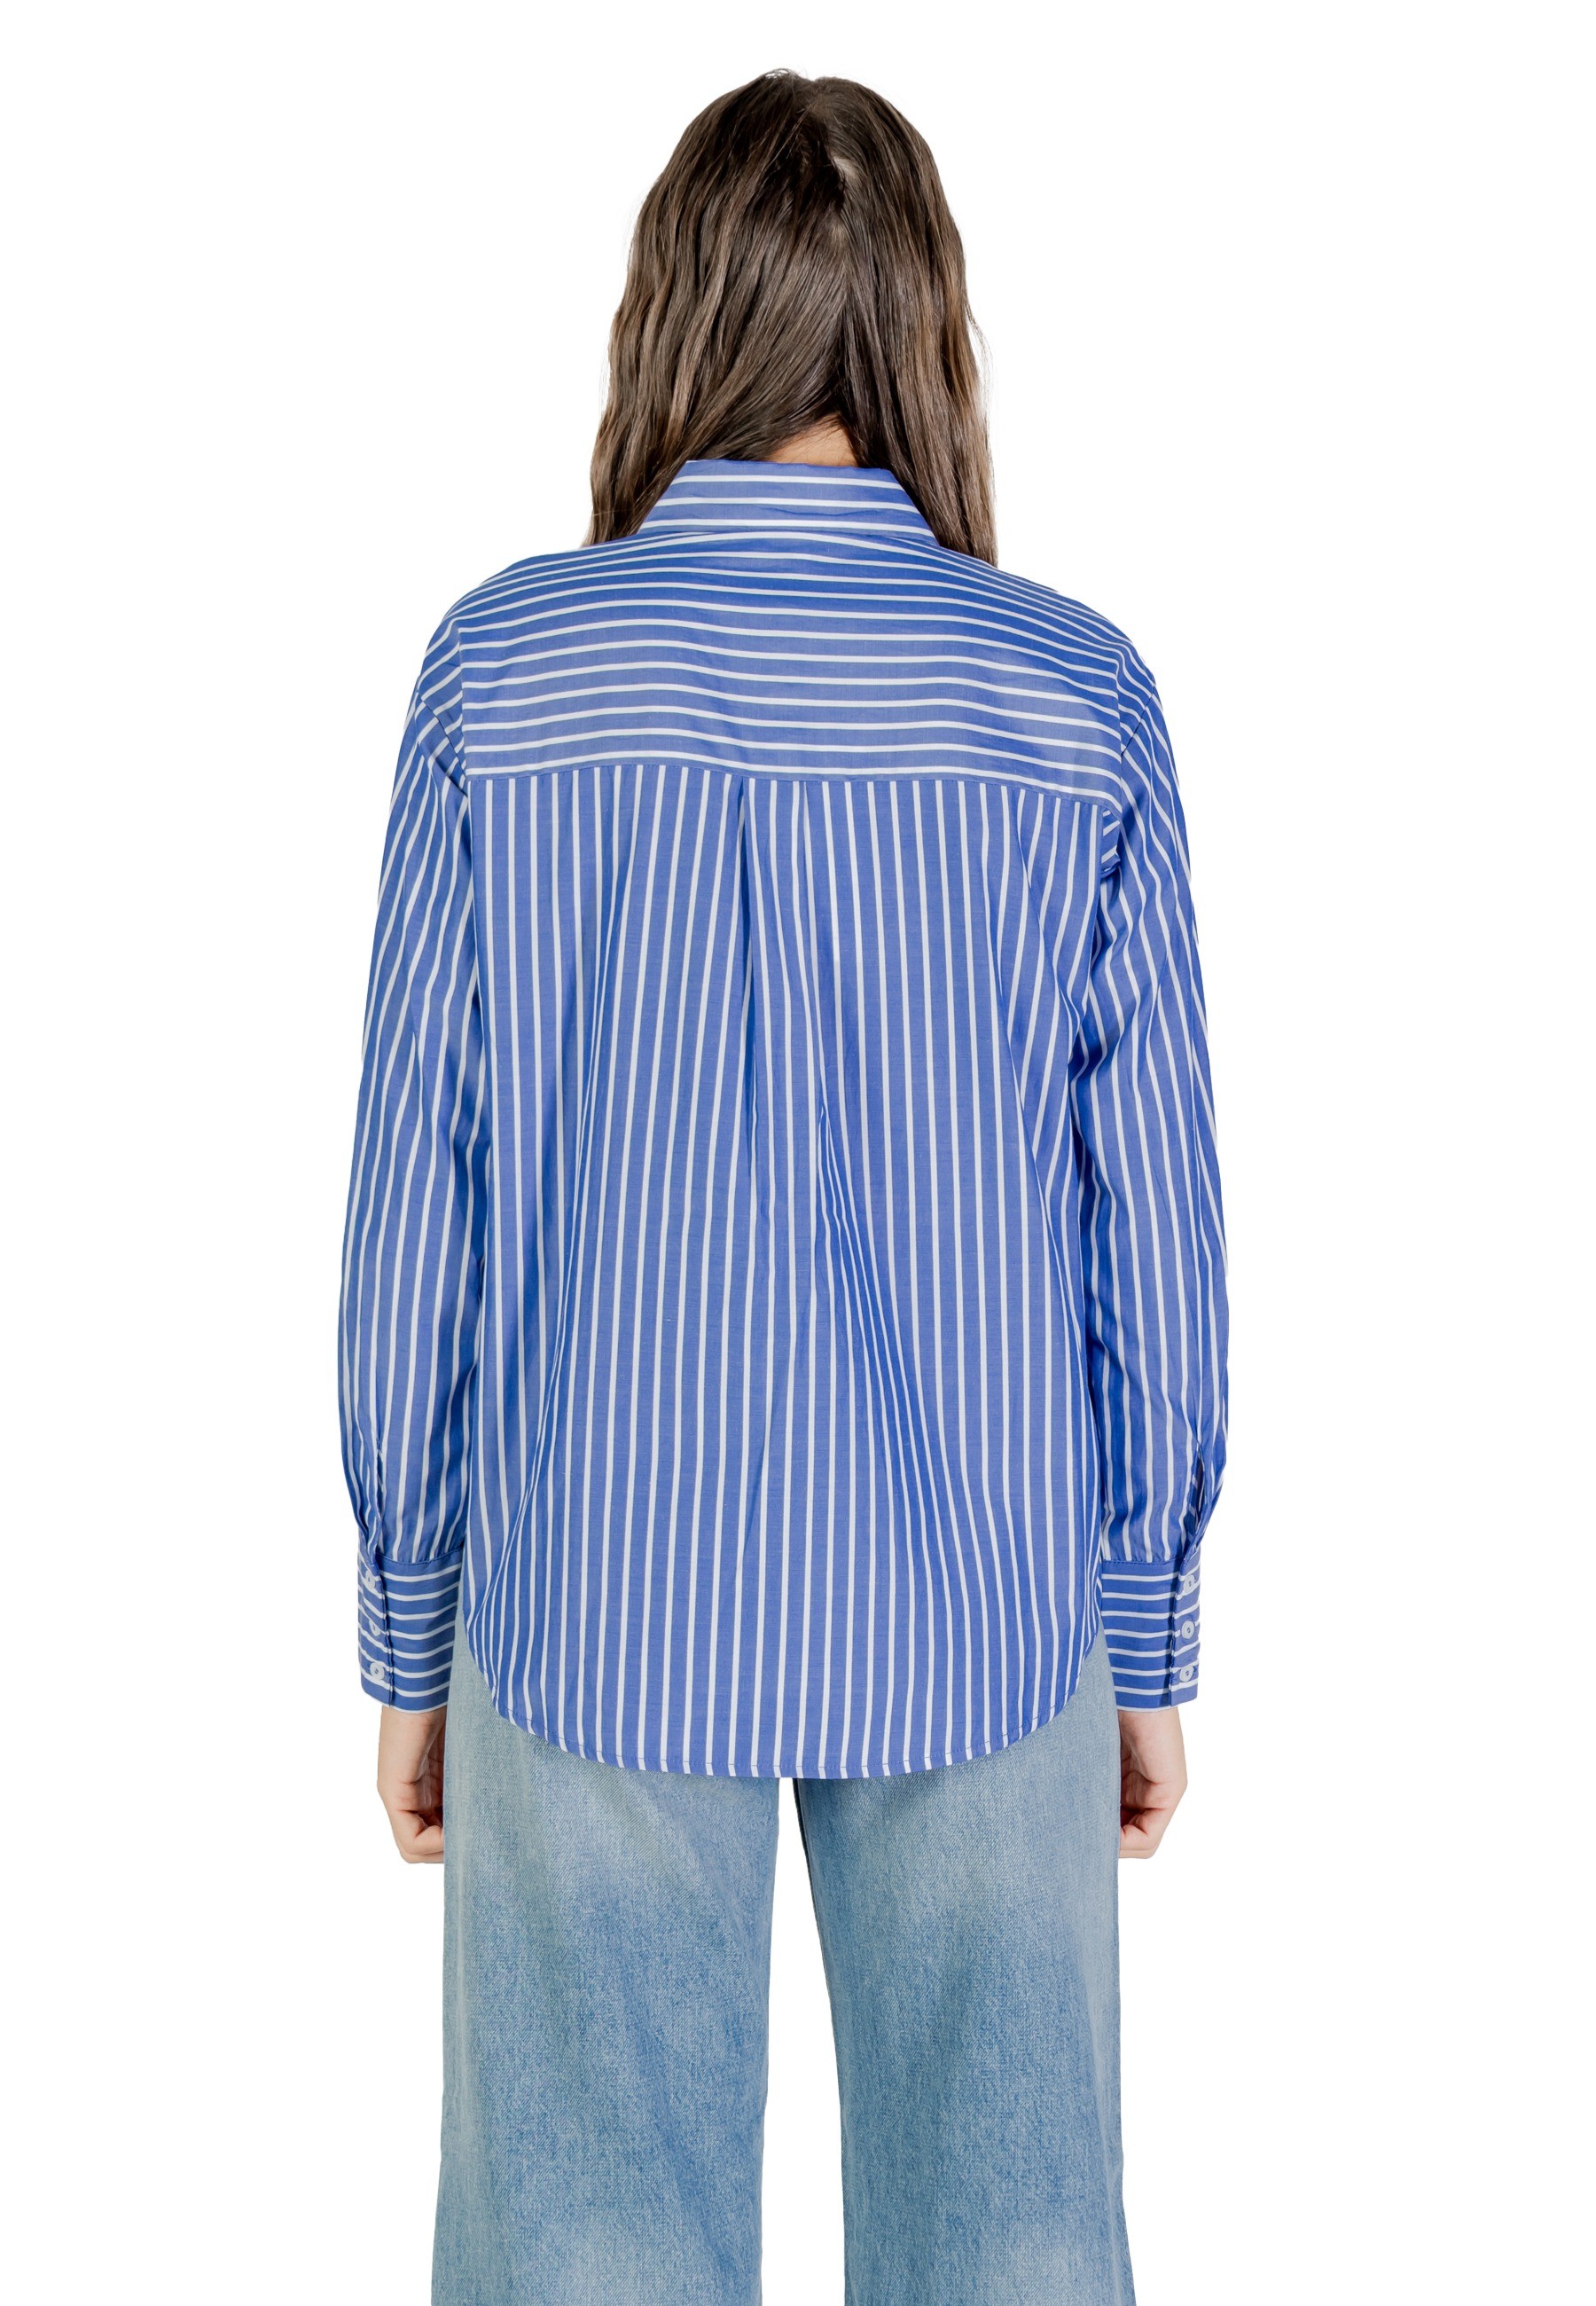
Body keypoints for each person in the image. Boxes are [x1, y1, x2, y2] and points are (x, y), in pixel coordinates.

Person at [339, 67, 1227, 2306]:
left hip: (592, 1595)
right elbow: (1153, 1223)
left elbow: (418, 1195)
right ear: (929, 335)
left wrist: (412, 1616)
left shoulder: (503, 678)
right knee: (1019, 2259)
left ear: (672, 319)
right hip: (989, 1602)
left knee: (579, 2267)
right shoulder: (1079, 701)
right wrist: (1144, 1620)